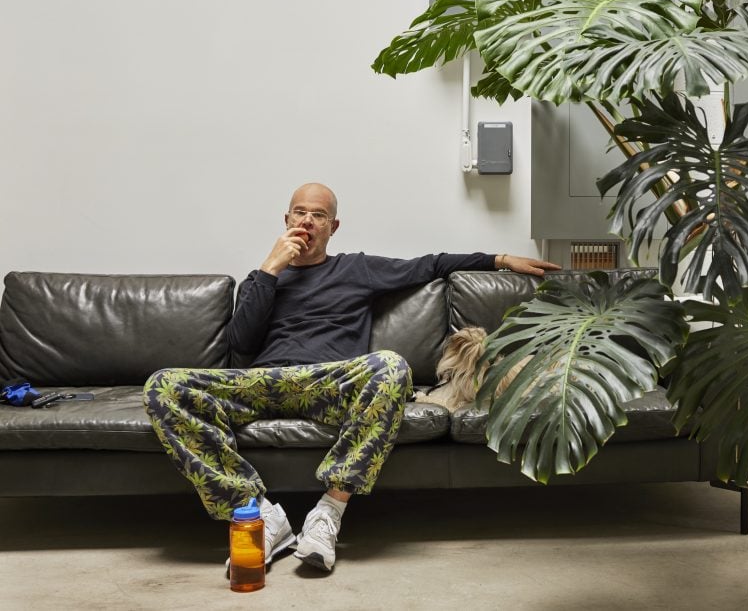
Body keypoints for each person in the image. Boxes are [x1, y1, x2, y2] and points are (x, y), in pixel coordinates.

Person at [142, 182, 559, 572]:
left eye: (318, 215)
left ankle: (329, 511)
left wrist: (501, 260)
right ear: (285, 221)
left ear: (333, 226)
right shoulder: (261, 280)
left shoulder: (358, 268)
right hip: (264, 384)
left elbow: (430, 265)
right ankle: (259, 514)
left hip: (332, 383)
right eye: (299, 213)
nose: (307, 221)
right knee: (164, 384)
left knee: (392, 367)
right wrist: (270, 269)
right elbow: (241, 345)